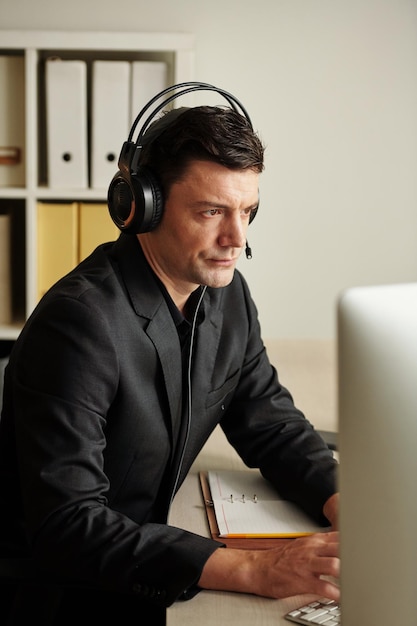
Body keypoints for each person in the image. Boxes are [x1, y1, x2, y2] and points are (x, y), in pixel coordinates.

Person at [0, 86, 339, 625]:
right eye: (211, 211)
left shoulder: (228, 296)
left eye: (248, 210)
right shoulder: (79, 324)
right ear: (141, 205)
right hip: (72, 592)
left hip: (157, 546)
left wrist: (345, 503)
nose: (236, 237)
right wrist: (253, 571)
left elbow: (270, 425)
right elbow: (68, 525)